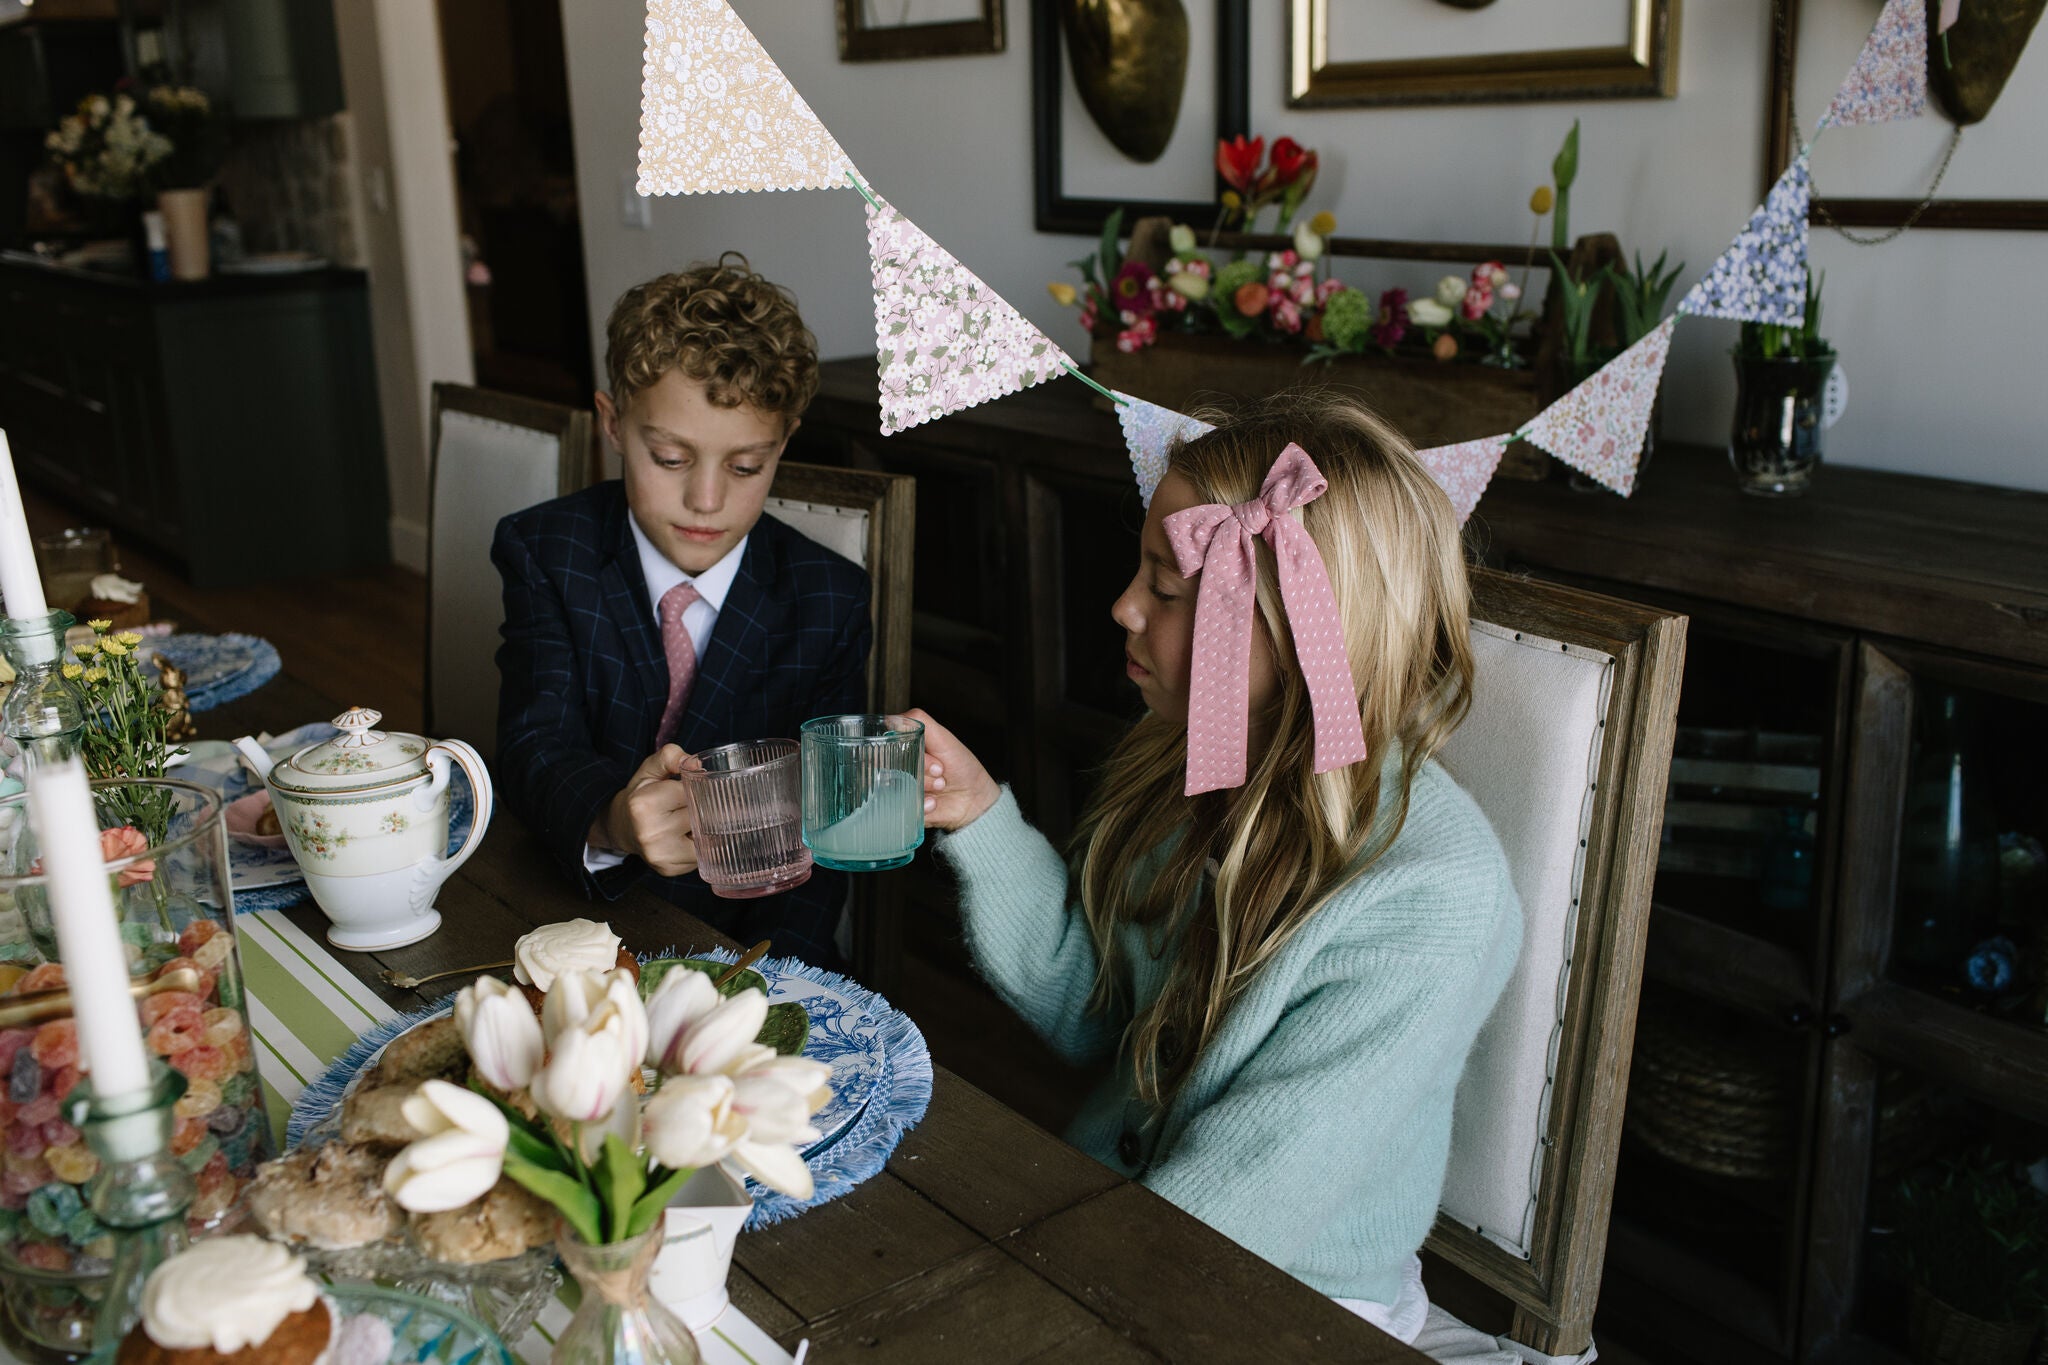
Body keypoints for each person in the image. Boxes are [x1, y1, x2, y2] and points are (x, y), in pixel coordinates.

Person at [911, 391, 1522, 1344]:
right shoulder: (1191, 766)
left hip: (1285, 1296)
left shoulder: (1430, 898)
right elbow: (1098, 1017)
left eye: (1166, 587)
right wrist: (983, 818)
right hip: (1121, 1225)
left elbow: (1235, 1208)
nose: (1121, 606)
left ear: (1294, 627)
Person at [493, 255, 870, 966]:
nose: (706, 500)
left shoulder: (830, 597)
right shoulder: (547, 550)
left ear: (784, 442)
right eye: (669, 457)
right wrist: (611, 819)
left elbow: (827, 831)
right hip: (563, 918)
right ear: (613, 423)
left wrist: (773, 976)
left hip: (744, 944)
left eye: (746, 467)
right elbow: (533, 744)